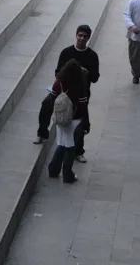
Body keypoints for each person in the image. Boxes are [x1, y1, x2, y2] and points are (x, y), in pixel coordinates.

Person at [35, 25, 98, 164]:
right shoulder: (66, 52)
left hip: (81, 93)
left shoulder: (92, 56)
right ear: (76, 35)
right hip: (63, 91)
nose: (81, 38)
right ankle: (42, 133)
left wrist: (85, 73)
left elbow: (95, 78)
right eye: (80, 35)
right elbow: (57, 72)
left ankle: (79, 151)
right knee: (46, 104)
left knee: (80, 119)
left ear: (88, 38)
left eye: (85, 36)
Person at [46, 59, 87, 184]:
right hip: (74, 120)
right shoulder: (79, 84)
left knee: (61, 144)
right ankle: (67, 175)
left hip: (59, 118)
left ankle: (53, 170)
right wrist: (85, 121)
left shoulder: (58, 81)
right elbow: (83, 105)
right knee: (70, 147)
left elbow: (53, 97)